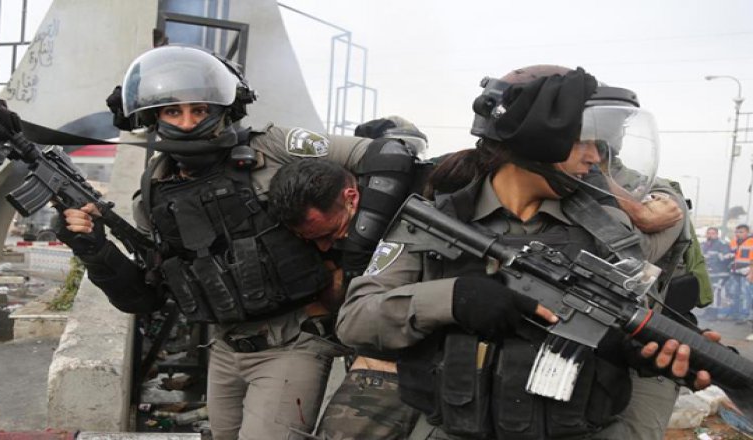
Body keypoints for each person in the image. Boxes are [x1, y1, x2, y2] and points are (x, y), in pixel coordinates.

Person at [336, 65, 719, 439]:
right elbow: (355, 320)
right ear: (535, 137)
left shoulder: (606, 228)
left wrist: (646, 352)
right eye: (581, 141)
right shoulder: (438, 220)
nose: (593, 158)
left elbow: (631, 321)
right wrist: (452, 298)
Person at [56, 45, 418, 440]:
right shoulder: (154, 192)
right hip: (225, 350)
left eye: (200, 110)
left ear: (223, 109)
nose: (188, 123)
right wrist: (94, 248)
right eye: (173, 111)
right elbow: (147, 297)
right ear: (153, 116)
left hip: (292, 342)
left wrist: (360, 251)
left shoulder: (271, 147)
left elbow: (388, 155)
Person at [268, 158, 422, 439]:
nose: (324, 246)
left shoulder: (414, 214)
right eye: (311, 239)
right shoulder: (328, 229)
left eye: (329, 233)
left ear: (351, 198)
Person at [702, 226, 733, 318]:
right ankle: (708, 311)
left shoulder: (722, 244)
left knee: (716, 292)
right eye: (708, 233)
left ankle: (714, 313)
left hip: (721, 273)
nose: (710, 235)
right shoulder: (704, 244)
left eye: (713, 233)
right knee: (708, 292)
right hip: (709, 273)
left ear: (717, 234)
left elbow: (728, 256)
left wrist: (714, 257)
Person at [726, 224, 753, 321]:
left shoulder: (751, 242)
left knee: (746, 294)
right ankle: (735, 313)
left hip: (746, 272)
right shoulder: (734, 242)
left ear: (747, 232)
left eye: (741, 232)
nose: (738, 234)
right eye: (737, 232)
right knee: (735, 293)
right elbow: (732, 255)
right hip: (735, 272)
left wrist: (751, 274)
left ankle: (745, 315)